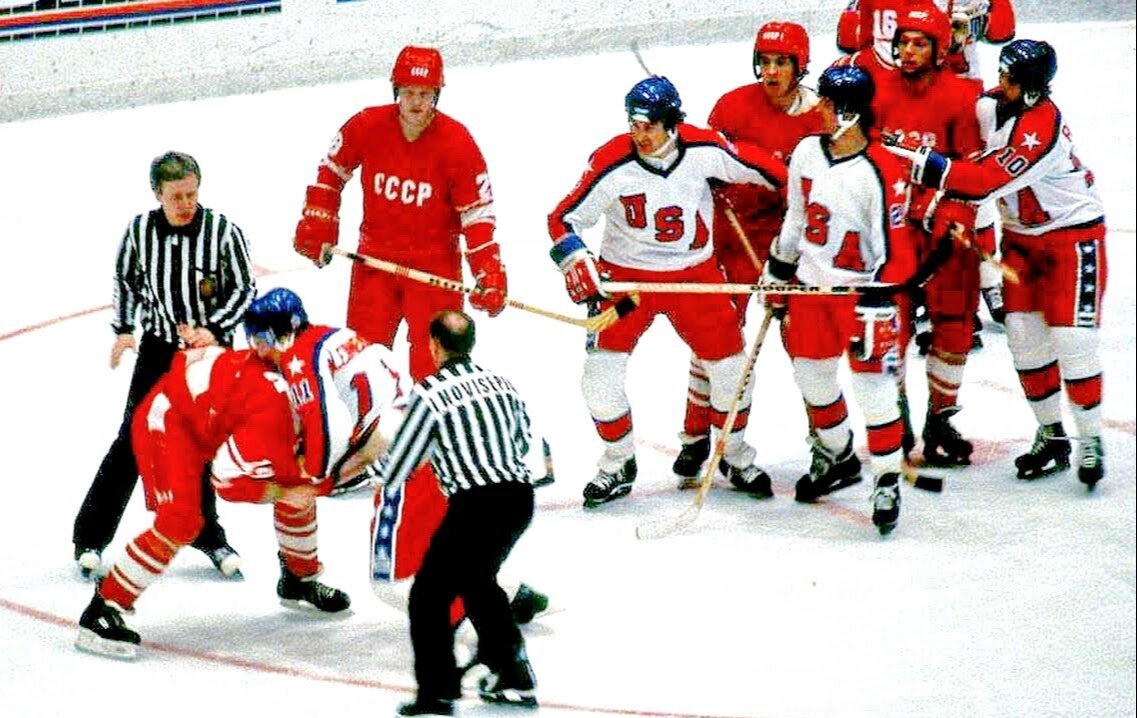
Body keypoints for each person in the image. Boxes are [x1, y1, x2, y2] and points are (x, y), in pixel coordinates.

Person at [548, 75, 786, 506]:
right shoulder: (611, 161)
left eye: (649, 125)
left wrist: (800, 196)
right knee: (598, 378)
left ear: (672, 123)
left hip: (695, 278)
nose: (639, 134)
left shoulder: (705, 149)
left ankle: (732, 454)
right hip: (627, 284)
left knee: (732, 369)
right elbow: (563, 218)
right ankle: (618, 461)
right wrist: (577, 259)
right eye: (633, 123)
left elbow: (771, 173)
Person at [886, 39, 1108, 489]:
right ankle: (1051, 434)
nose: (999, 82)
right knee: (1025, 341)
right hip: (1023, 242)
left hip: (1073, 241)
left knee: (1073, 339)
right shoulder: (991, 107)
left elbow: (983, 181)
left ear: (1029, 88)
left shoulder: (1041, 128)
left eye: (1009, 78)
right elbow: (965, 142)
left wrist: (914, 160)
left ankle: (1090, 438)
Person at [75, 345, 350, 660]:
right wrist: (282, 491)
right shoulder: (272, 416)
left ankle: (299, 580)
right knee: (181, 521)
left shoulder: (310, 390)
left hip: (203, 413)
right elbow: (228, 482)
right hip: (168, 423)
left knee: (299, 486)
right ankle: (102, 610)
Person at [73, 151, 254, 580]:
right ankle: (91, 537)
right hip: (158, 350)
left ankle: (208, 534)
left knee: (203, 444)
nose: (185, 204)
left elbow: (244, 289)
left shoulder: (223, 232)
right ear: (158, 194)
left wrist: (213, 329)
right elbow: (126, 281)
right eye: (176, 196)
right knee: (133, 439)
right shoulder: (139, 232)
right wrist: (123, 329)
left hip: (210, 353)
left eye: (191, 194)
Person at [763, 65, 918, 535]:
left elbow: (897, 251)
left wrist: (876, 299)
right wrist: (778, 268)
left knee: (874, 391)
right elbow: (796, 216)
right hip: (811, 289)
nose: (818, 109)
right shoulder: (807, 152)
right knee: (811, 379)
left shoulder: (882, 172)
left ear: (850, 113)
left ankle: (887, 478)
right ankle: (838, 454)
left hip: (863, 297)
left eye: (827, 104)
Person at [292, 44, 507, 383]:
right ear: (396, 91)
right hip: (374, 262)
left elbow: (477, 215)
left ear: (436, 95)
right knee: (360, 362)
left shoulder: (458, 144)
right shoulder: (367, 125)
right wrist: (319, 222)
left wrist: (488, 270)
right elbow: (330, 172)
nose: (416, 102)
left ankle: (434, 432)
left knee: (436, 369)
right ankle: (368, 433)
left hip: (435, 267)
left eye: (424, 93)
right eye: (408, 92)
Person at [672, 21, 826, 483]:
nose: (771, 70)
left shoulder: (821, 116)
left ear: (800, 65)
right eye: (765, 60)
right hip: (732, 235)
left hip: (791, 244)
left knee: (806, 346)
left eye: (781, 61)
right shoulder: (733, 106)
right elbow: (703, 161)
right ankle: (696, 436)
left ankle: (824, 444)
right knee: (717, 340)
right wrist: (714, 185)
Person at [375, 311, 539, 716]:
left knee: (428, 597)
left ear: (433, 346)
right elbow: (522, 440)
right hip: (519, 498)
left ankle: (437, 692)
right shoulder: (503, 384)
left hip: (476, 504)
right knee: (478, 582)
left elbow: (399, 467)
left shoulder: (429, 394)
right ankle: (514, 671)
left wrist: (360, 471)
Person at [873, 4, 984, 466]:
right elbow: (870, 164)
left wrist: (953, 216)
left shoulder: (964, 97)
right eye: (903, 42)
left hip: (946, 237)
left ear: (940, 49)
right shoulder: (877, 92)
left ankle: (941, 418)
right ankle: (894, 412)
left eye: (919, 43)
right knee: (888, 327)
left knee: (954, 325)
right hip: (895, 233)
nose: (908, 51)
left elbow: (974, 172)